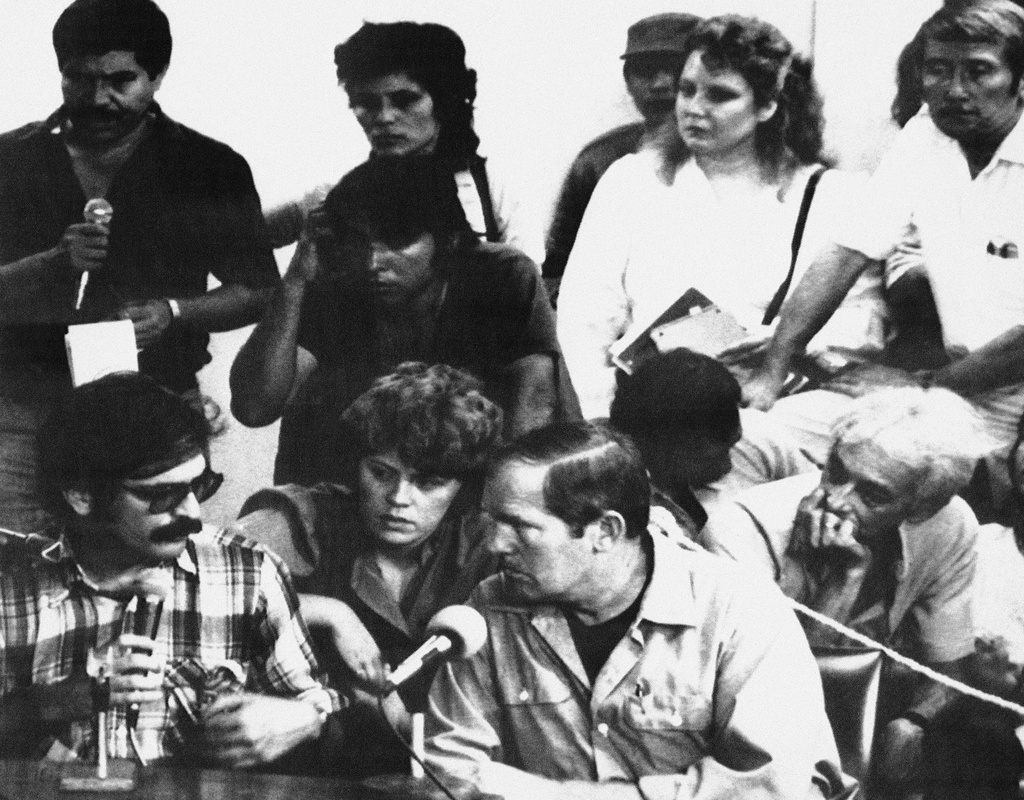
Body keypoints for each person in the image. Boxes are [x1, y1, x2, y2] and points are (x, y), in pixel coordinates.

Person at [426, 421, 849, 800]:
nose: (496, 544)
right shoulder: (490, 609)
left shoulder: (740, 610)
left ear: (606, 532)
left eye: (520, 526)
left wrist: (560, 796)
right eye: (493, 522)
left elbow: (767, 789)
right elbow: (452, 765)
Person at [0, 0, 279, 536]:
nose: (97, 98)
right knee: (12, 576)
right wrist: (49, 265)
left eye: (119, 80)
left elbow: (258, 290)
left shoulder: (209, 167)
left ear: (158, 75)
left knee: (152, 578)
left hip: (156, 411)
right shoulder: (10, 161)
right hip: (21, 411)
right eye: (78, 79)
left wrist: (174, 312)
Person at [746, 0, 1024, 514]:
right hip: (953, 388)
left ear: (1019, 79)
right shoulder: (925, 135)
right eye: (938, 70)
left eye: (978, 71)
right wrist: (772, 367)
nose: (954, 89)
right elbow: (845, 253)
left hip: (989, 387)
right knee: (755, 434)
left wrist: (926, 387)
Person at [0, 372, 341, 769]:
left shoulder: (247, 572)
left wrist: (308, 720)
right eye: (163, 495)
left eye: (200, 486)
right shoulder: (11, 586)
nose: (193, 514)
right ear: (81, 495)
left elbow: (325, 721)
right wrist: (61, 698)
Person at [557, 14, 887, 421]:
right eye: (687, 90)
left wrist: (783, 343)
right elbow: (584, 325)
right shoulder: (631, 182)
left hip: (781, 410)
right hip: (649, 414)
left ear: (767, 105)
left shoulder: (832, 196)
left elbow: (864, 324)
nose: (694, 109)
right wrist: (602, 418)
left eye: (719, 95)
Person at [701, 387, 996, 791]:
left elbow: (950, 666)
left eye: (872, 495)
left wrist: (914, 722)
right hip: (748, 733)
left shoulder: (949, 525)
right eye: (836, 471)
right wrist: (843, 580)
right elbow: (773, 701)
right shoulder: (740, 531)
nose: (836, 501)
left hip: (862, 708)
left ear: (922, 509)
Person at [228, 362, 502, 778]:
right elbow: (195, 586)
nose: (398, 498)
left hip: (442, 775)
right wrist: (327, 611)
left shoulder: (487, 545)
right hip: (298, 774)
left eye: (428, 484)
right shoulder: (301, 519)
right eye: (381, 473)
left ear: (463, 487)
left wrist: (395, 718)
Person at [231, 156, 559, 486]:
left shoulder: (501, 275)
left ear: (448, 239)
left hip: (463, 490)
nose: (373, 262)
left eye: (398, 242)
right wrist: (295, 281)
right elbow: (255, 407)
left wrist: (492, 511)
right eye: (359, 241)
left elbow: (534, 406)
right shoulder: (339, 281)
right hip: (345, 492)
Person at [263, 21, 538, 262]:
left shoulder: (491, 189)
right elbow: (236, 243)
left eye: (404, 100)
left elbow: (529, 303)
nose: (383, 117)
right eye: (366, 103)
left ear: (442, 101)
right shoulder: (332, 196)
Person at [542, 13, 701, 295]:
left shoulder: (736, 160)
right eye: (646, 70)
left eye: (675, 69)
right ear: (628, 80)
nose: (661, 84)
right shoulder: (599, 161)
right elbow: (557, 271)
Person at [609, 348, 816, 527]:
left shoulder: (757, 431)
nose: (727, 464)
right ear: (659, 452)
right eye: (711, 457)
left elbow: (814, 492)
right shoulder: (629, 503)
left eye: (732, 445)